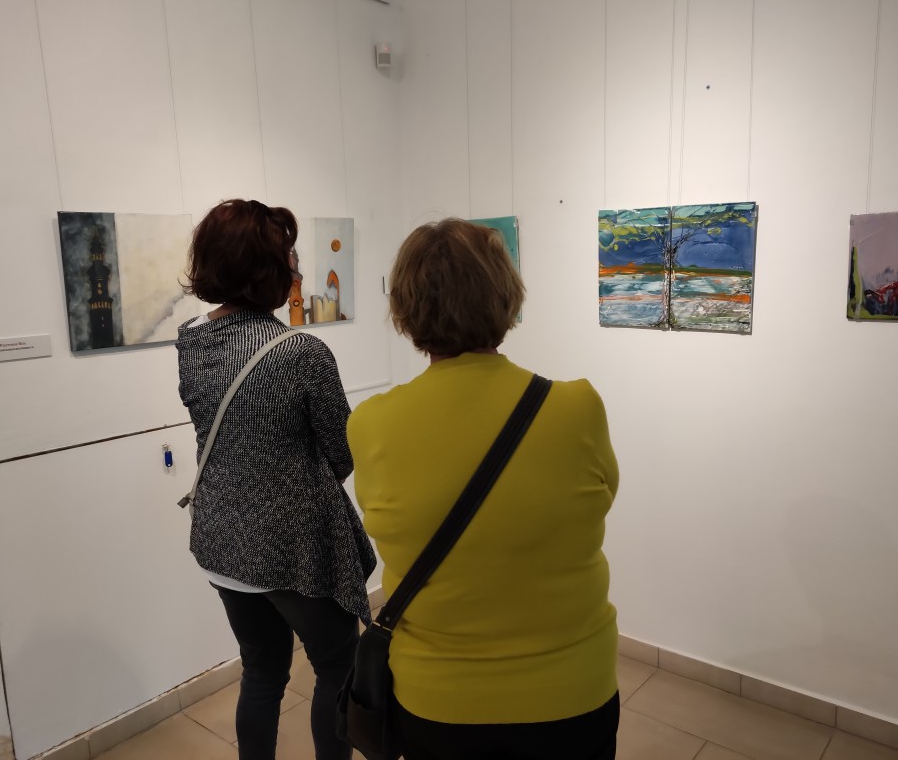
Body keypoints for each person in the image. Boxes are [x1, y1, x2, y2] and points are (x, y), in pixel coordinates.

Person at [347, 218, 620, 760]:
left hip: (438, 700)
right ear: (506, 297)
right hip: (572, 688)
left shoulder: (372, 424)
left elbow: (386, 523)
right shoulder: (577, 408)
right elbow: (601, 499)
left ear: (404, 309)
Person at [176, 199, 376, 760]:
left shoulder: (191, 342)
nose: (296, 265)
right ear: (265, 268)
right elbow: (342, 452)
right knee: (337, 665)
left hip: (221, 538)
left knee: (262, 671)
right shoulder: (301, 352)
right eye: (289, 255)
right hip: (291, 550)